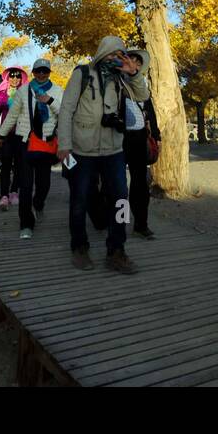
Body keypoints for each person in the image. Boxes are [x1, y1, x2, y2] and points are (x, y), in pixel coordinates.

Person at [57, 36, 148, 274]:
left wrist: (133, 73)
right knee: (80, 199)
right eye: (111, 54)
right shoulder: (82, 73)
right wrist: (64, 145)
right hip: (81, 149)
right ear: (101, 54)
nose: (115, 59)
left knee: (121, 199)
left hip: (113, 149)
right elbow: (66, 109)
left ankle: (117, 250)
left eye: (120, 55)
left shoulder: (122, 77)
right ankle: (79, 246)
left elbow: (142, 96)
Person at [1, 59, 62, 238]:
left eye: (45, 71)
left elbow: (65, 114)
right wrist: (1, 135)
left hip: (46, 141)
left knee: (44, 183)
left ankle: (39, 203)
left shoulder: (57, 91)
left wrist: (50, 101)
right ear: (33, 72)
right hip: (25, 141)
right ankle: (26, 224)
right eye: (38, 71)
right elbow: (13, 115)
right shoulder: (23, 90)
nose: (41, 74)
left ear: (49, 72)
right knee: (25, 184)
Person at [121, 48, 161, 240]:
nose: (133, 65)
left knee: (140, 184)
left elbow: (151, 114)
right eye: (130, 60)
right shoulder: (115, 85)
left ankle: (141, 224)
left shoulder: (143, 88)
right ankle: (118, 223)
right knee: (117, 185)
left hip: (139, 138)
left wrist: (157, 136)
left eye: (137, 62)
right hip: (118, 138)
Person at [0, 67, 28, 210]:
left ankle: (14, 192)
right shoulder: (1, 95)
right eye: (12, 76)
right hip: (6, 135)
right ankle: (3, 195)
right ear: (7, 78)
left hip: (21, 134)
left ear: (21, 79)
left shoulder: (26, 94)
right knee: (6, 165)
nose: (14, 79)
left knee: (19, 165)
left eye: (17, 77)